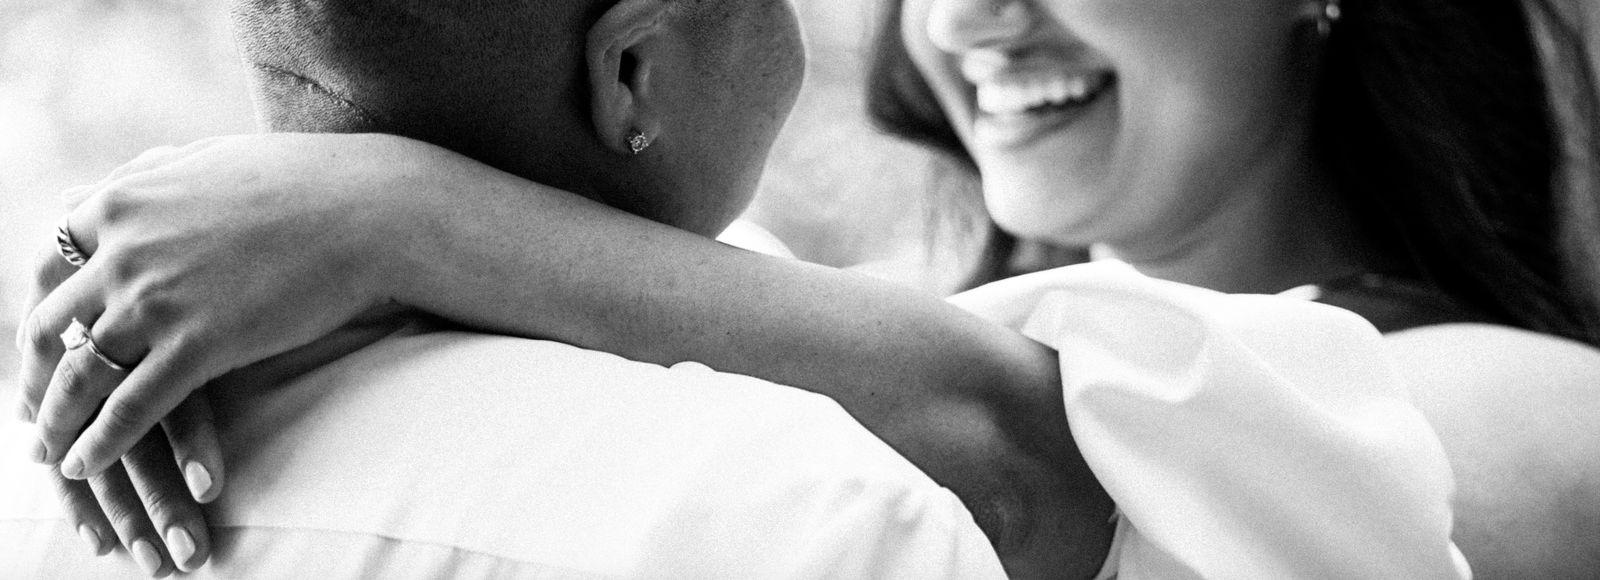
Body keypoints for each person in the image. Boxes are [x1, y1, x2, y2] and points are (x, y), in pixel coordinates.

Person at [16, 0, 1534, 576]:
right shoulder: (826, 483)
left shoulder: (1512, 400)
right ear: (630, 71)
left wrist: (408, 211)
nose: (973, 16)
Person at [1, 0, 1010, 577]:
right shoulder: (819, 508)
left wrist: (397, 211)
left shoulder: (39, 475)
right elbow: (1056, 452)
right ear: (630, 71)